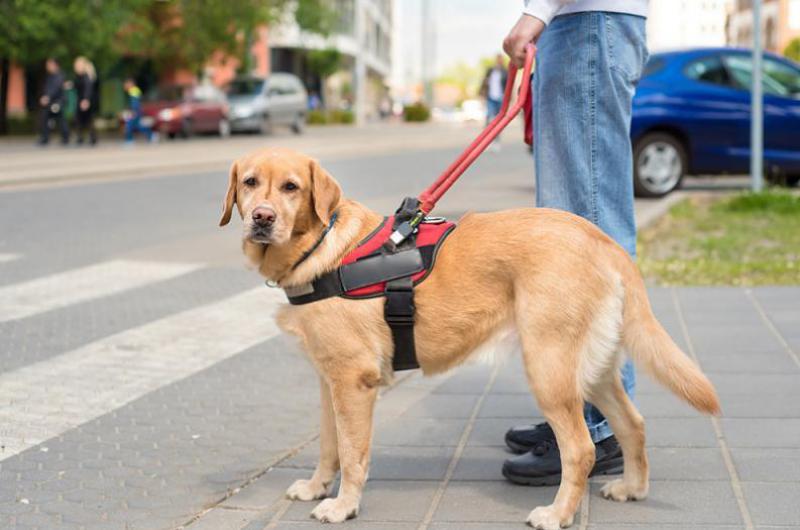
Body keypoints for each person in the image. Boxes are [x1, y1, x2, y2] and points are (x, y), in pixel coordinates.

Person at [500, 0, 649, 485]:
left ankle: (597, 428)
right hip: (583, 25)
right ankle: (579, 409)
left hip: (588, 23)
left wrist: (538, 10)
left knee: (586, 230)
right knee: (569, 230)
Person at [38, 58, 69, 146]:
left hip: (57, 102)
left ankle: (64, 137)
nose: (47, 67)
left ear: (55, 65)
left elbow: (55, 88)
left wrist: (47, 97)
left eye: (49, 65)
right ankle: (46, 137)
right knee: (48, 118)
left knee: (59, 119)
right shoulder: (51, 75)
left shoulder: (59, 75)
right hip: (52, 102)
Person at [480, 54, 508, 151]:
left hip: (500, 98)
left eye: (501, 60)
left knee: (498, 122)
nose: (499, 61)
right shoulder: (490, 71)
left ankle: (496, 141)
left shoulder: (505, 71)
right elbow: (483, 82)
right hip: (490, 98)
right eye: (498, 59)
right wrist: (482, 95)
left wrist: (508, 98)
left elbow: (509, 85)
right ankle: (487, 141)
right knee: (489, 119)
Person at [122, 78, 155, 144]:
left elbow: (135, 103)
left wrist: (133, 112)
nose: (125, 86)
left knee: (129, 125)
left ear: (130, 84)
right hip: (136, 111)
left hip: (135, 112)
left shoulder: (133, 91)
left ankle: (129, 140)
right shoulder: (134, 90)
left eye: (126, 84)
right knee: (138, 126)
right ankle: (151, 135)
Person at [73, 57, 98, 146]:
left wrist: (86, 100)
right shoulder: (80, 76)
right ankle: (82, 137)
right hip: (82, 100)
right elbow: (78, 86)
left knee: (87, 119)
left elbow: (88, 89)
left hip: (86, 100)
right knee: (81, 119)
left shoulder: (86, 76)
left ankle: (91, 138)